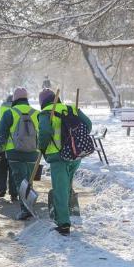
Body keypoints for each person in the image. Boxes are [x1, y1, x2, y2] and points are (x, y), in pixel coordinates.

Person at [37, 88, 91, 235]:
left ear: (42, 102)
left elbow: (45, 133)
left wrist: (41, 147)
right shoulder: (71, 109)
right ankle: (67, 212)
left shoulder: (46, 113)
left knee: (60, 190)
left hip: (58, 156)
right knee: (66, 186)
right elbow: (88, 124)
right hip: (74, 155)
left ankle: (63, 224)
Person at [0, 87, 39, 220]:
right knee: (29, 181)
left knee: (20, 181)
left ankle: (26, 210)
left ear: (15, 99)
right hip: (32, 153)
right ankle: (28, 206)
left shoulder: (9, 113)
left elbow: (1, 133)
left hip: (15, 153)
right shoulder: (36, 113)